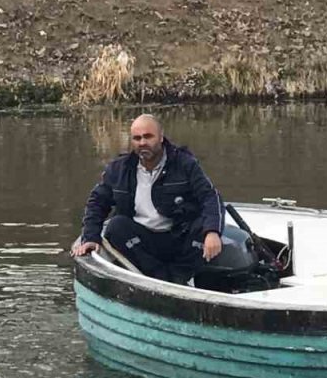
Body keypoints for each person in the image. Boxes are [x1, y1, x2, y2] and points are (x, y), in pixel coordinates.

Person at [71, 113, 224, 284]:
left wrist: (212, 232)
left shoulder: (185, 164)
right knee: (116, 227)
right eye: (137, 138)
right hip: (143, 241)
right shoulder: (119, 168)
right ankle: (160, 279)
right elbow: (97, 202)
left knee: (203, 225)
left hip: (179, 236)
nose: (142, 142)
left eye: (148, 136)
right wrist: (90, 237)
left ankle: (180, 278)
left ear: (160, 137)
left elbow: (210, 197)